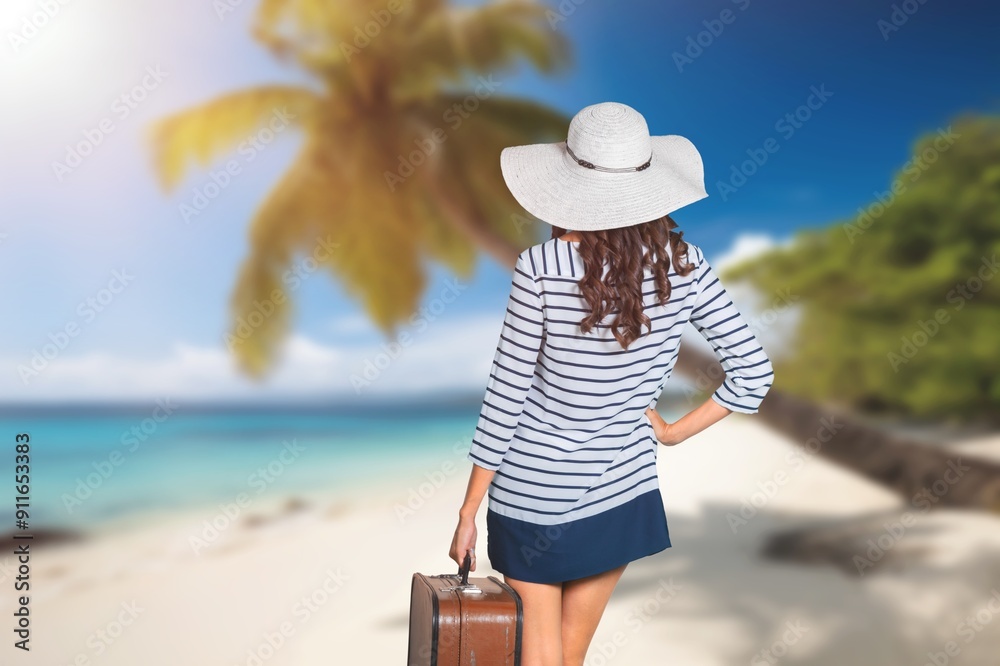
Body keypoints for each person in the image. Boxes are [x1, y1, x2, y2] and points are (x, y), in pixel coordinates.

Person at [449, 101, 775, 666]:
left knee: (537, 658)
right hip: (621, 491)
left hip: (534, 494)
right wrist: (671, 434)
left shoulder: (542, 266)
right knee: (567, 659)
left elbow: (505, 397)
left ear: (568, 183)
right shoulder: (686, 264)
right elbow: (753, 372)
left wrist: (467, 510)